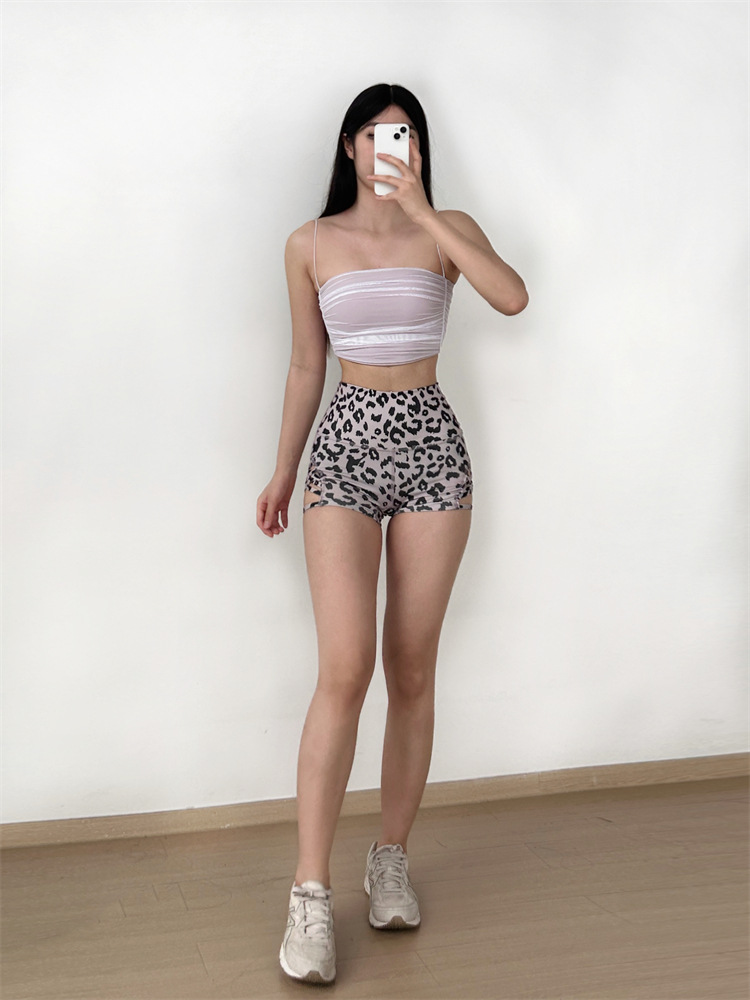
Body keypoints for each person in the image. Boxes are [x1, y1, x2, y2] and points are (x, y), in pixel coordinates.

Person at [256, 83, 528, 986]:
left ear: (419, 147)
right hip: (344, 449)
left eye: (404, 133)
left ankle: (391, 860)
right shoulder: (309, 243)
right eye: (375, 134)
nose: (389, 146)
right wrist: (284, 469)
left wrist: (423, 212)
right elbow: (307, 363)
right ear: (348, 145)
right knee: (345, 669)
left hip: (432, 449)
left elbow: (512, 297)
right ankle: (308, 894)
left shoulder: (445, 228)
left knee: (412, 666)